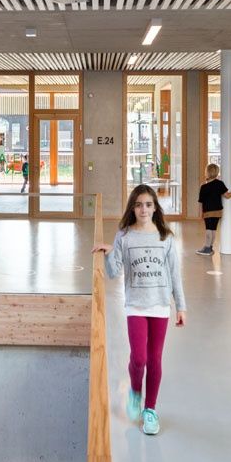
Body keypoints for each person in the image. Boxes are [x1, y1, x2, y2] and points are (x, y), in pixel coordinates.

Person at [92, 184, 185, 436]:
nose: (143, 209)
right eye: (138, 205)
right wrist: (110, 252)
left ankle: (150, 410)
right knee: (139, 358)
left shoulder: (165, 236)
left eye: (148, 205)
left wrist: (181, 306)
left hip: (160, 305)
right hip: (135, 305)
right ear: (132, 208)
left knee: (155, 360)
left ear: (155, 208)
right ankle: (135, 390)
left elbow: (175, 274)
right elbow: (113, 272)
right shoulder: (124, 235)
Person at [195, 163, 231, 256]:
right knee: (213, 230)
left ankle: (207, 248)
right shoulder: (220, 183)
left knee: (208, 230)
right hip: (218, 212)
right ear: (217, 172)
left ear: (207, 172)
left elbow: (200, 202)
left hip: (208, 212)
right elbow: (227, 196)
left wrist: (200, 214)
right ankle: (210, 247)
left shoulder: (203, 186)